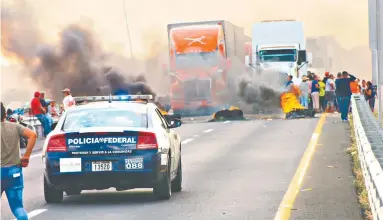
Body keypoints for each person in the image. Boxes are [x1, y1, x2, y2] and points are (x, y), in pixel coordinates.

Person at [1, 102, 37, 220]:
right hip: (14, 172)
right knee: (17, 207)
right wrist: (26, 156)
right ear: (5, 114)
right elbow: (32, 135)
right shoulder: (15, 126)